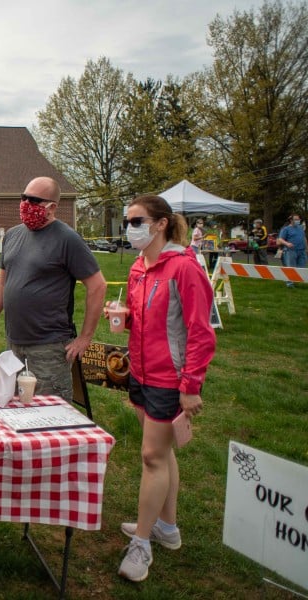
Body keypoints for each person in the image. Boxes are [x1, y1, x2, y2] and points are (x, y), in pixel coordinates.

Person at [111, 195, 216, 582]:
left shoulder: (185, 268)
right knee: (162, 452)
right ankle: (167, 528)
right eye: (127, 221)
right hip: (139, 371)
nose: (129, 228)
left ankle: (142, 544)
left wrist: (190, 386)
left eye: (136, 221)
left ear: (160, 224)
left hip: (169, 379)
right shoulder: (140, 267)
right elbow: (148, 319)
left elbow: (200, 333)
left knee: (152, 457)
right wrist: (122, 316)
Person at [0, 176, 107, 402]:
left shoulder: (67, 238)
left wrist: (86, 338)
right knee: (16, 408)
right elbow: (2, 282)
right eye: (23, 198)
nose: (25, 204)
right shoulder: (13, 235)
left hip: (49, 345)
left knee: (50, 412)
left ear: (52, 207)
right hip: (15, 343)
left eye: (33, 200)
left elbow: (97, 286)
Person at [277, 212, 307, 287]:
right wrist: (287, 244)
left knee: (301, 267)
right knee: (290, 267)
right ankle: (290, 283)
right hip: (290, 251)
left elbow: (304, 238)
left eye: (298, 219)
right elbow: (280, 239)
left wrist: (307, 248)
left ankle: (296, 280)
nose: (298, 220)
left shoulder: (300, 228)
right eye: (296, 219)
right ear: (291, 220)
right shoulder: (286, 229)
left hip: (301, 251)